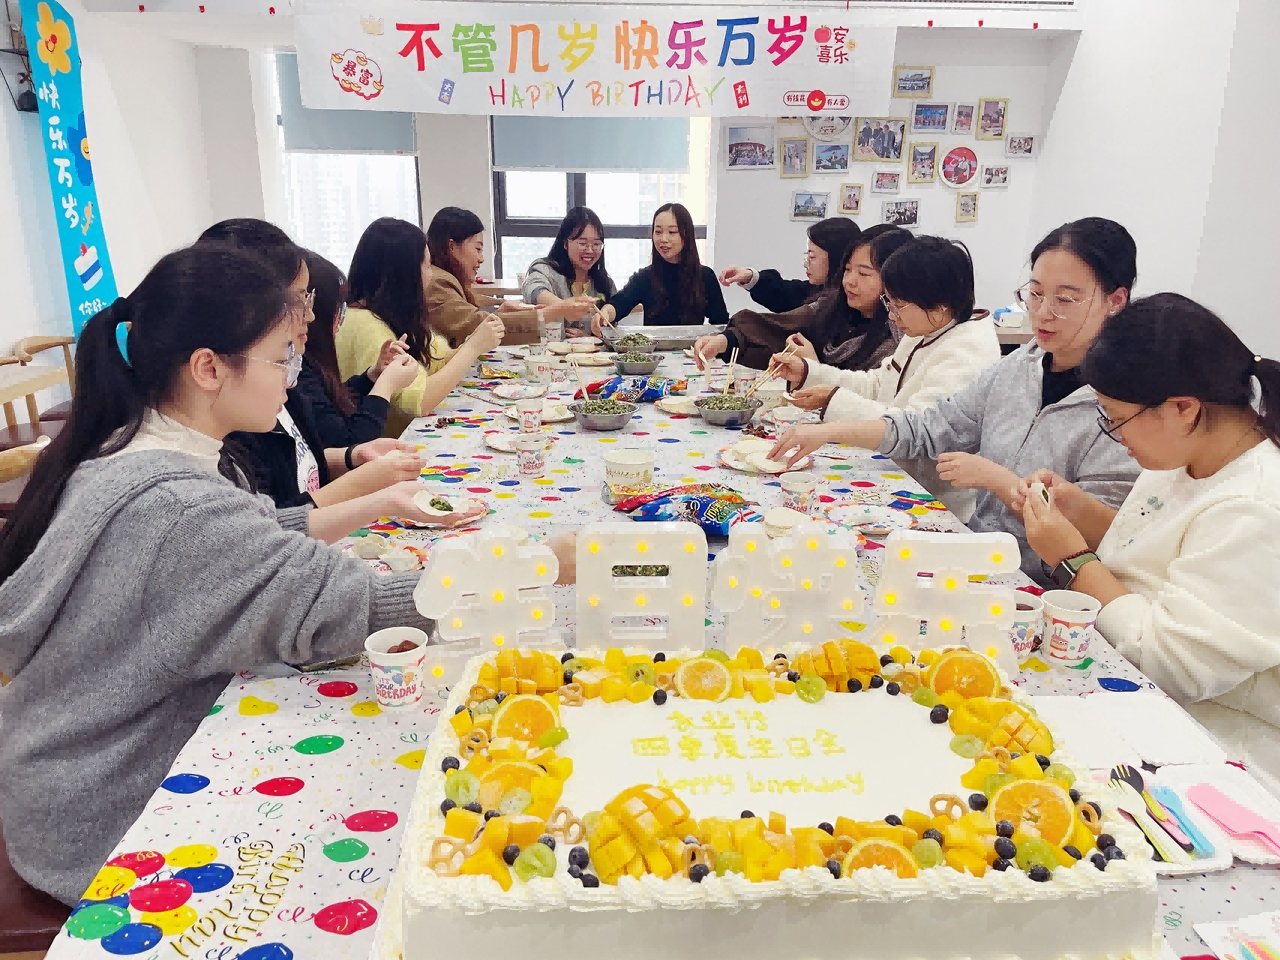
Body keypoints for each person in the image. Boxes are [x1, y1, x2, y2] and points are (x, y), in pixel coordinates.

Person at [0, 245, 448, 906]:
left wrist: (374, 502)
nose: (291, 376)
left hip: (61, 782)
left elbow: (252, 539)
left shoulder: (137, 449)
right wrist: (535, 568)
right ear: (209, 367)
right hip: (108, 819)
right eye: (279, 358)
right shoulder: (177, 506)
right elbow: (358, 605)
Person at [771, 217, 1142, 584]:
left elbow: (1107, 538)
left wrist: (999, 481)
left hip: (1042, 589)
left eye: (1065, 299)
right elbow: (929, 426)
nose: (1042, 312)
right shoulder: (1019, 366)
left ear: (1115, 301)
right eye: (1035, 293)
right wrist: (828, 430)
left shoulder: (1127, 404)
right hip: (978, 556)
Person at [1021, 294, 1280, 791]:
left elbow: (1172, 664)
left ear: (1182, 407)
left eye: (1114, 417)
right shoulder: (1192, 451)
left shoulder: (1257, 507)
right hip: (1130, 691)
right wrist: (1078, 511)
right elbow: (1159, 552)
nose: (1114, 434)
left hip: (1214, 748)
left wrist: (1072, 560)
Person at [197, 220, 427, 513]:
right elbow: (273, 523)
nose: (310, 315)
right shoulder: (236, 422)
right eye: (299, 299)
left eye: (309, 299)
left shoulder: (286, 381)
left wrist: (351, 457)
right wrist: (361, 481)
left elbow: (303, 464)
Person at [767, 237, 1000, 520]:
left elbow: (914, 432)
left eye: (898, 305)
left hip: (931, 502)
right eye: (888, 302)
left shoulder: (968, 352)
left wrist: (833, 405)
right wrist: (809, 372)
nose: (891, 315)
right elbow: (879, 384)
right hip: (893, 474)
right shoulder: (927, 327)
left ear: (940, 306)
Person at [336, 217, 505, 438]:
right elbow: (419, 401)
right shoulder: (367, 325)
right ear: (404, 275)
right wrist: (473, 347)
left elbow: (437, 358)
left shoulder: (392, 312)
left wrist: (475, 342)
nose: (431, 274)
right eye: (426, 266)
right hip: (383, 446)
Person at [694, 224, 911, 373]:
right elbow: (778, 326)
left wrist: (813, 368)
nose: (849, 281)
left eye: (863, 273)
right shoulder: (830, 306)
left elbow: (875, 402)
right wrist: (725, 341)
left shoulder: (903, 338)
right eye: (847, 269)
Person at [296, 250, 419, 448]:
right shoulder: (297, 372)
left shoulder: (308, 365)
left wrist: (373, 376)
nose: (307, 315)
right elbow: (351, 445)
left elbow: (330, 404)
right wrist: (386, 384)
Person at [425, 207, 578, 349]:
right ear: (452, 247)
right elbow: (478, 327)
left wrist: (502, 311)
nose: (481, 259)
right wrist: (555, 311)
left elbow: (472, 326)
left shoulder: (445, 279)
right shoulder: (438, 283)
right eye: (478, 249)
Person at [589, 203, 729, 333]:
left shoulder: (705, 276)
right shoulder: (645, 277)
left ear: (686, 235)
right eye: (658, 232)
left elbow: (721, 323)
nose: (663, 239)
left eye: (672, 232)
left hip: (693, 349)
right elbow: (620, 303)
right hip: (653, 350)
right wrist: (605, 313)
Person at [717, 217, 861, 314]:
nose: (805, 264)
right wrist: (750, 277)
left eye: (812, 257)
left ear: (837, 258)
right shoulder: (818, 289)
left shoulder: (850, 304)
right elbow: (785, 294)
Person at [521, 207, 615, 337]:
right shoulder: (545, 270)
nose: (590, 250)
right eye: (582, 243)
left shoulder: (605, 283)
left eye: (596, 244)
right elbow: (533, 290)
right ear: (565, 243)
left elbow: (613, 335)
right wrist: (564, 307)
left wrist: (587, 338)